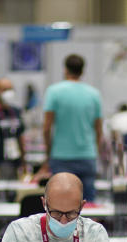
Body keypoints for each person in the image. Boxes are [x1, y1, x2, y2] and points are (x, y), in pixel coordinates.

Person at [43, 54, 103, 202]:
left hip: (61, 156)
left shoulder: (54, 92)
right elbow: (99, 130)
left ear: (65, 70)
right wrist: (94, 151)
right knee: (88, 205)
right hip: (87, 156)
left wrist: (49, 152)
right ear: (82, 71)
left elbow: (46, 127)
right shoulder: (94, 94)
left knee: (62, 204)